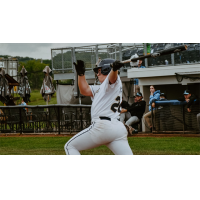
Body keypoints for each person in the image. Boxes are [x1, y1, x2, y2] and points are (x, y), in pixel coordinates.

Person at [64, 59, 133, 155]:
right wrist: (80, 74)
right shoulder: (102, 87)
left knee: (70, 146)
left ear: (106, 69)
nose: (97, 74)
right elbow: (85, 90)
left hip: (103, 126)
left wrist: (114, 70)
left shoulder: (114, 81)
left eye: (99, 71)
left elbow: (112, 78)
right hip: (118, 129)